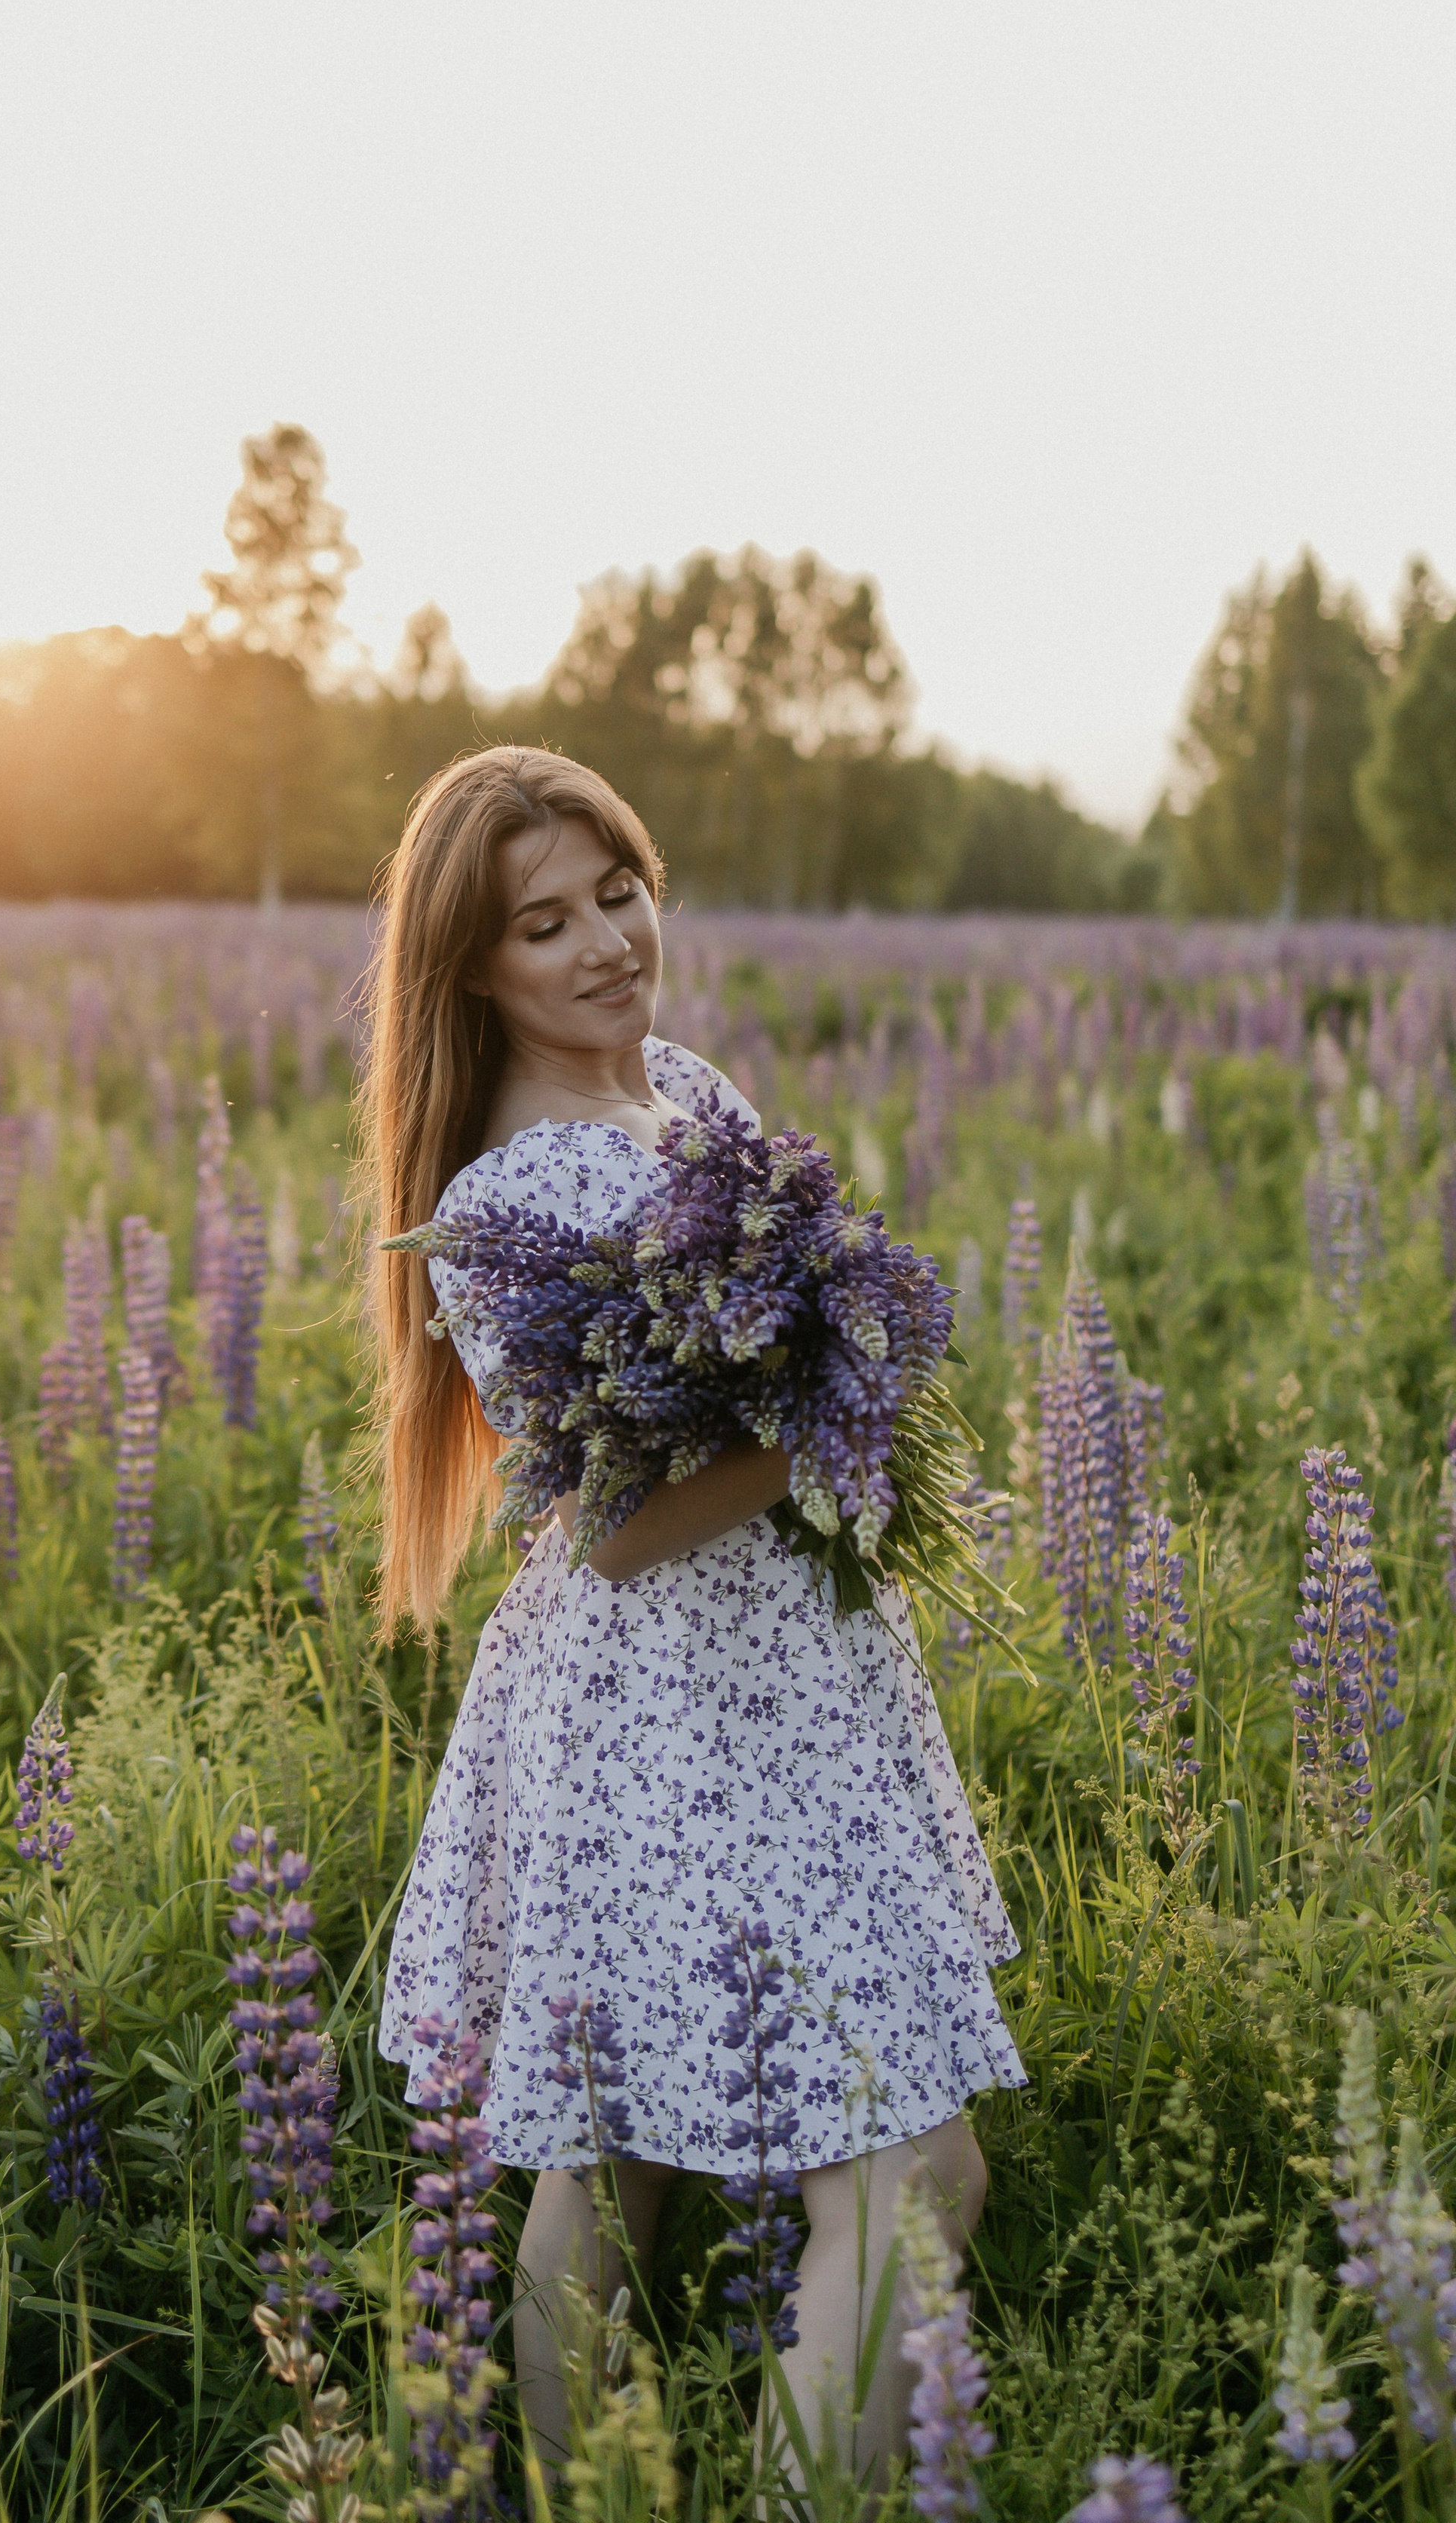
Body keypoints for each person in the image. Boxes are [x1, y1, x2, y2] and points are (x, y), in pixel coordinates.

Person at [358, 744, 1025, 2487]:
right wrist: (832, 1413)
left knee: (621, 2143)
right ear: (470, 968)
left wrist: (837, 1381)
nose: (601, 944)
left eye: (617, 891)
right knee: (891, 2174)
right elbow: (625, 1526)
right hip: (662, 1708)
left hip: (785, 1680)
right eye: (541, 922)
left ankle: (580, 2492)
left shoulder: (679, 1084)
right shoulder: (497, 1205)